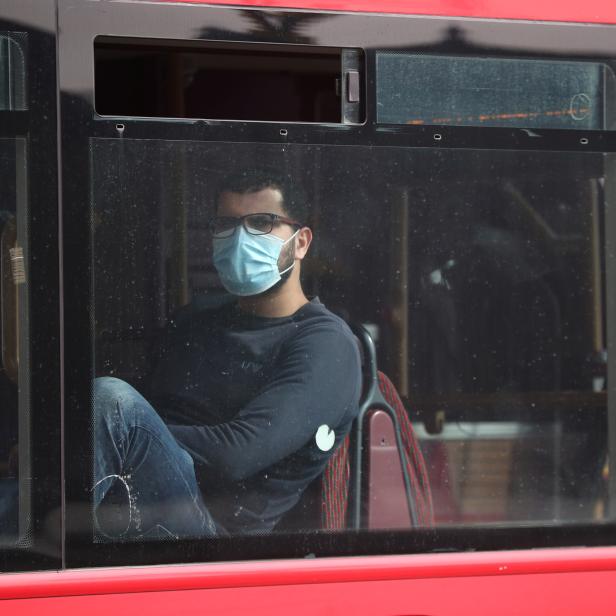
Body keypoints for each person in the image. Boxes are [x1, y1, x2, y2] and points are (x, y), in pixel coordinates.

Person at [94, 169, 362, 539]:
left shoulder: (325, 343)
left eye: (262, 223)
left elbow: (237, 454)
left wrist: (122, 435)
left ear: (301, 243)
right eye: (227, 223)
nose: (240, 237)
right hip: (128, 499)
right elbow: (146, 405)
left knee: (111, 401)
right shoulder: (194, 320)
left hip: (214, 537)